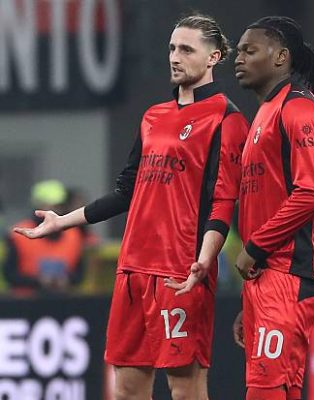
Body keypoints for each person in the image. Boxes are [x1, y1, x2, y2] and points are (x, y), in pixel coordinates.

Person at [14, 13, 248, 400]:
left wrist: (205, 260)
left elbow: (222, 200)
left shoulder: (226, 118)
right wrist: (62, 222)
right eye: (172, 48)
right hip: (132, 269)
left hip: (179, 271)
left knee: (185, 389)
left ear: (214, 57)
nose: (175, 57)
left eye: (186, 49)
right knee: (125, 389)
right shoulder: (153, 116)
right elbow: (126, 191)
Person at [232, 16, 314, 400]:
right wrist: (251, 298)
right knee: (283, 387)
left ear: (280, 57)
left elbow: (313, 191)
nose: (239, 58)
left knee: (264, 389)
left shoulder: (299, 109)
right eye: (238, 51)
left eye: (249, 50)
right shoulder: (265, 112)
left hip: (291, 270)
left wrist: (255, 247)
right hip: (267, 277)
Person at [4, 179, 85, 295]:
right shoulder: (19, 234)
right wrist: (38, 281)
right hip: (25, 301)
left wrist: (66, 280)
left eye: (60, 205)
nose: (56, 210)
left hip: (63, 300)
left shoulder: (74, 234)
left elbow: (80, 273)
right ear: (38, 206)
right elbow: (9, 274)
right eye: (53, 205)